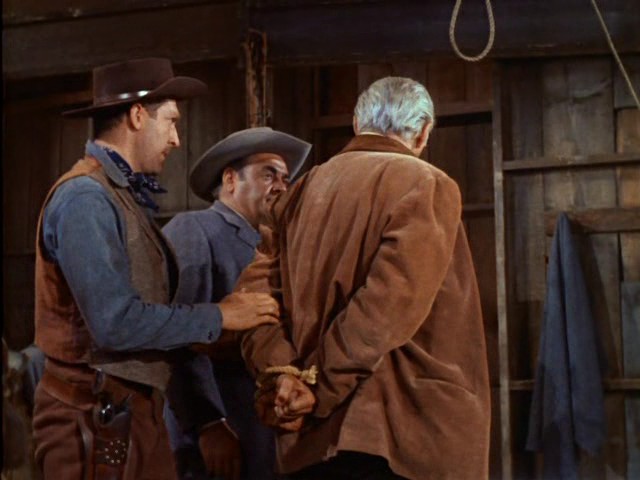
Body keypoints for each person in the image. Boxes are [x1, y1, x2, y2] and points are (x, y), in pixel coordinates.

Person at [32, 57, 280, 480]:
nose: (177, 139)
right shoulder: (85, 199)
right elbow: (114, 323)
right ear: (136, 116)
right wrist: (220, 315)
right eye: (171, 122)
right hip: (93, 421)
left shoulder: (118, 196)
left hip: (132, 415)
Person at [237, 77, 491, 480]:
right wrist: (315, 386)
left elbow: (256, 301)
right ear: (424, 133)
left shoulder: (300, 192)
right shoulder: (427, 184)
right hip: (402, 435)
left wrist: (284, 377)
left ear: (357, 124)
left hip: (308, 439)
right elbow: (388, 306)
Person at [162, 127, 311, 480]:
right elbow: (176, 336)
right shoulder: (195, 229)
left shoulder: (279, 245)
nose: (280, 186)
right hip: (221, 426)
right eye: (268, 174)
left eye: (285, 179)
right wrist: (207, 423)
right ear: (230, 179)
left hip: (264, 426)